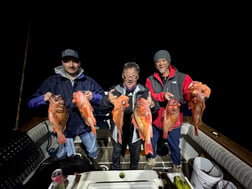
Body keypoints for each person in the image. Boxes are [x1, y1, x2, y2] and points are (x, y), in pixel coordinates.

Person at [27, 48, 104, 170]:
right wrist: (43, 98)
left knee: (93, 149)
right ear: (62, 62)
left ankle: (94, 162)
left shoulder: (88, 81)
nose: (71, 65)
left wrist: (93, 96)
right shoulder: (52, 81)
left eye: (75, 61)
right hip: (64, 128)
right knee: (66, 156)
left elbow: (104, 100)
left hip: (85, 125)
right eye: (67, 61)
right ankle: (68, 170)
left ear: (79, 63)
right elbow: (30, 103)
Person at [100, 62, 159, 170]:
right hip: (118, 129)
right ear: (123, 75)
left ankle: (134, 171)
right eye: (127, 74)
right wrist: (108, 101)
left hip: (136, 131)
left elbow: (156, 107)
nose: (130, 78)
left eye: (133, 75)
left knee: (135, 154)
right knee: (116, 152)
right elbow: (103, 107)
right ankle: (115, 170)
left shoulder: (144, 91)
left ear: (137, 76)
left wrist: (152, 104)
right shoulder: (115, 90)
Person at [145, 49, 193, 172]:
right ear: (155, 64)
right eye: (157, 61)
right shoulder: (150, 80)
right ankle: (151, 157)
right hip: (155, 120)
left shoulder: (183, 78)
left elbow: (188, 96)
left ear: (169, 62)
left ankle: (176, 164)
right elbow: (148, 95)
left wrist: (197, 94)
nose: (161, 64)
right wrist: (162, 96)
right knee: (151, 140)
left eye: (163, 60)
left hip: (173, 121)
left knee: (174, 144)